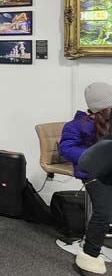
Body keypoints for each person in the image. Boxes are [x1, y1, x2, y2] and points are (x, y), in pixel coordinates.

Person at [59, 82, 112, 275]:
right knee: (104, 211)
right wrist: (92, 155)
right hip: (93, 174)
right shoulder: (76, 125)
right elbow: (65, 149)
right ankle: (89, 254)